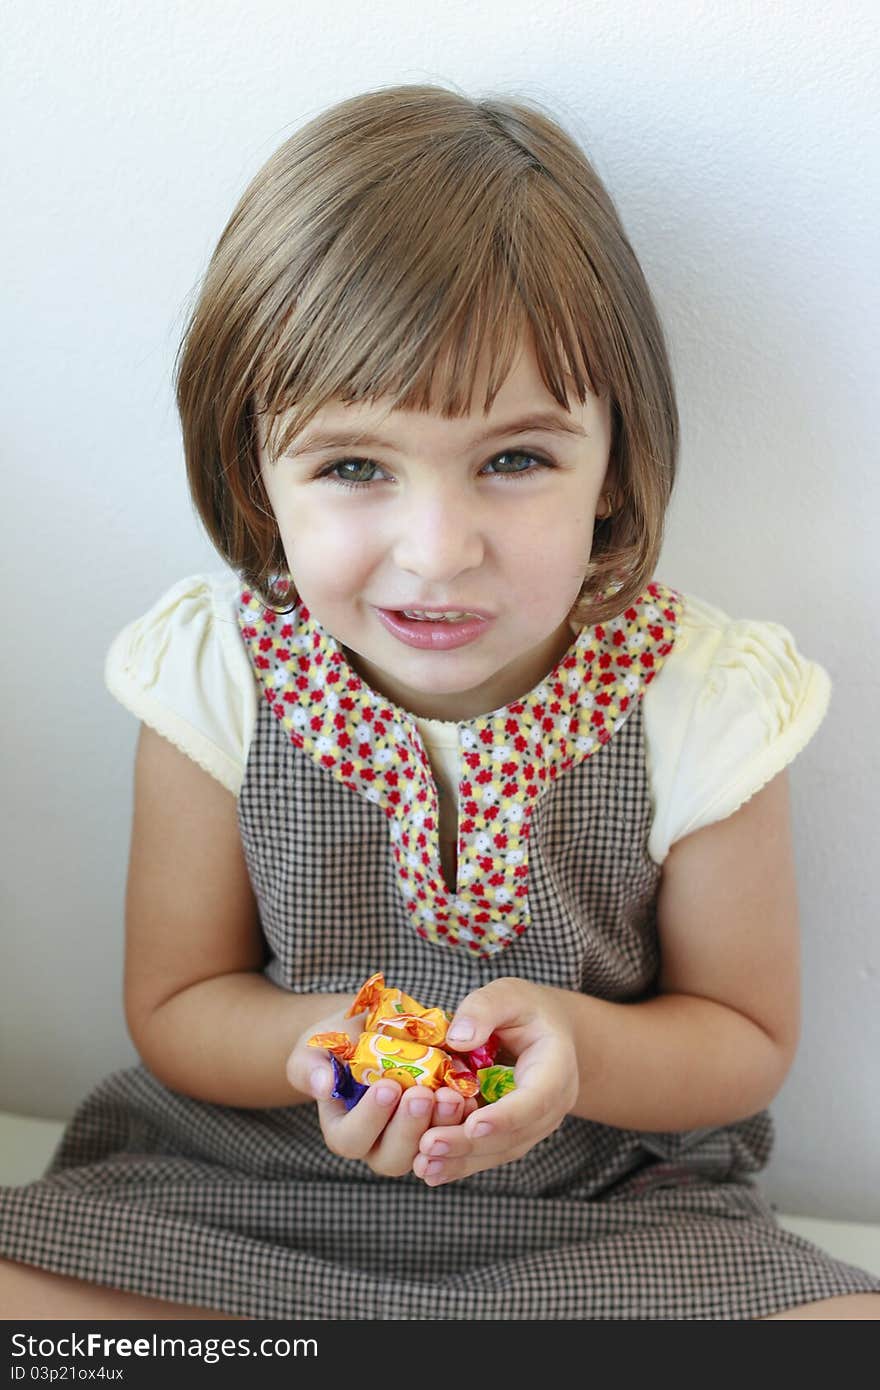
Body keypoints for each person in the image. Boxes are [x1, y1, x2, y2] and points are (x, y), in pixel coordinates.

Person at [1, 83, 878, 1323]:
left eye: (513, 460)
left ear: (614, 466)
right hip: (243, 1183)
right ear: (257, 474)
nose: (435, 549)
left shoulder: (705, 695)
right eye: (355, 466)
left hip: (594, 1209)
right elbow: (178, 1006)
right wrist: (319, 1050)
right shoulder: (212, 673)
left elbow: (738, 1032)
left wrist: (577, 1053)